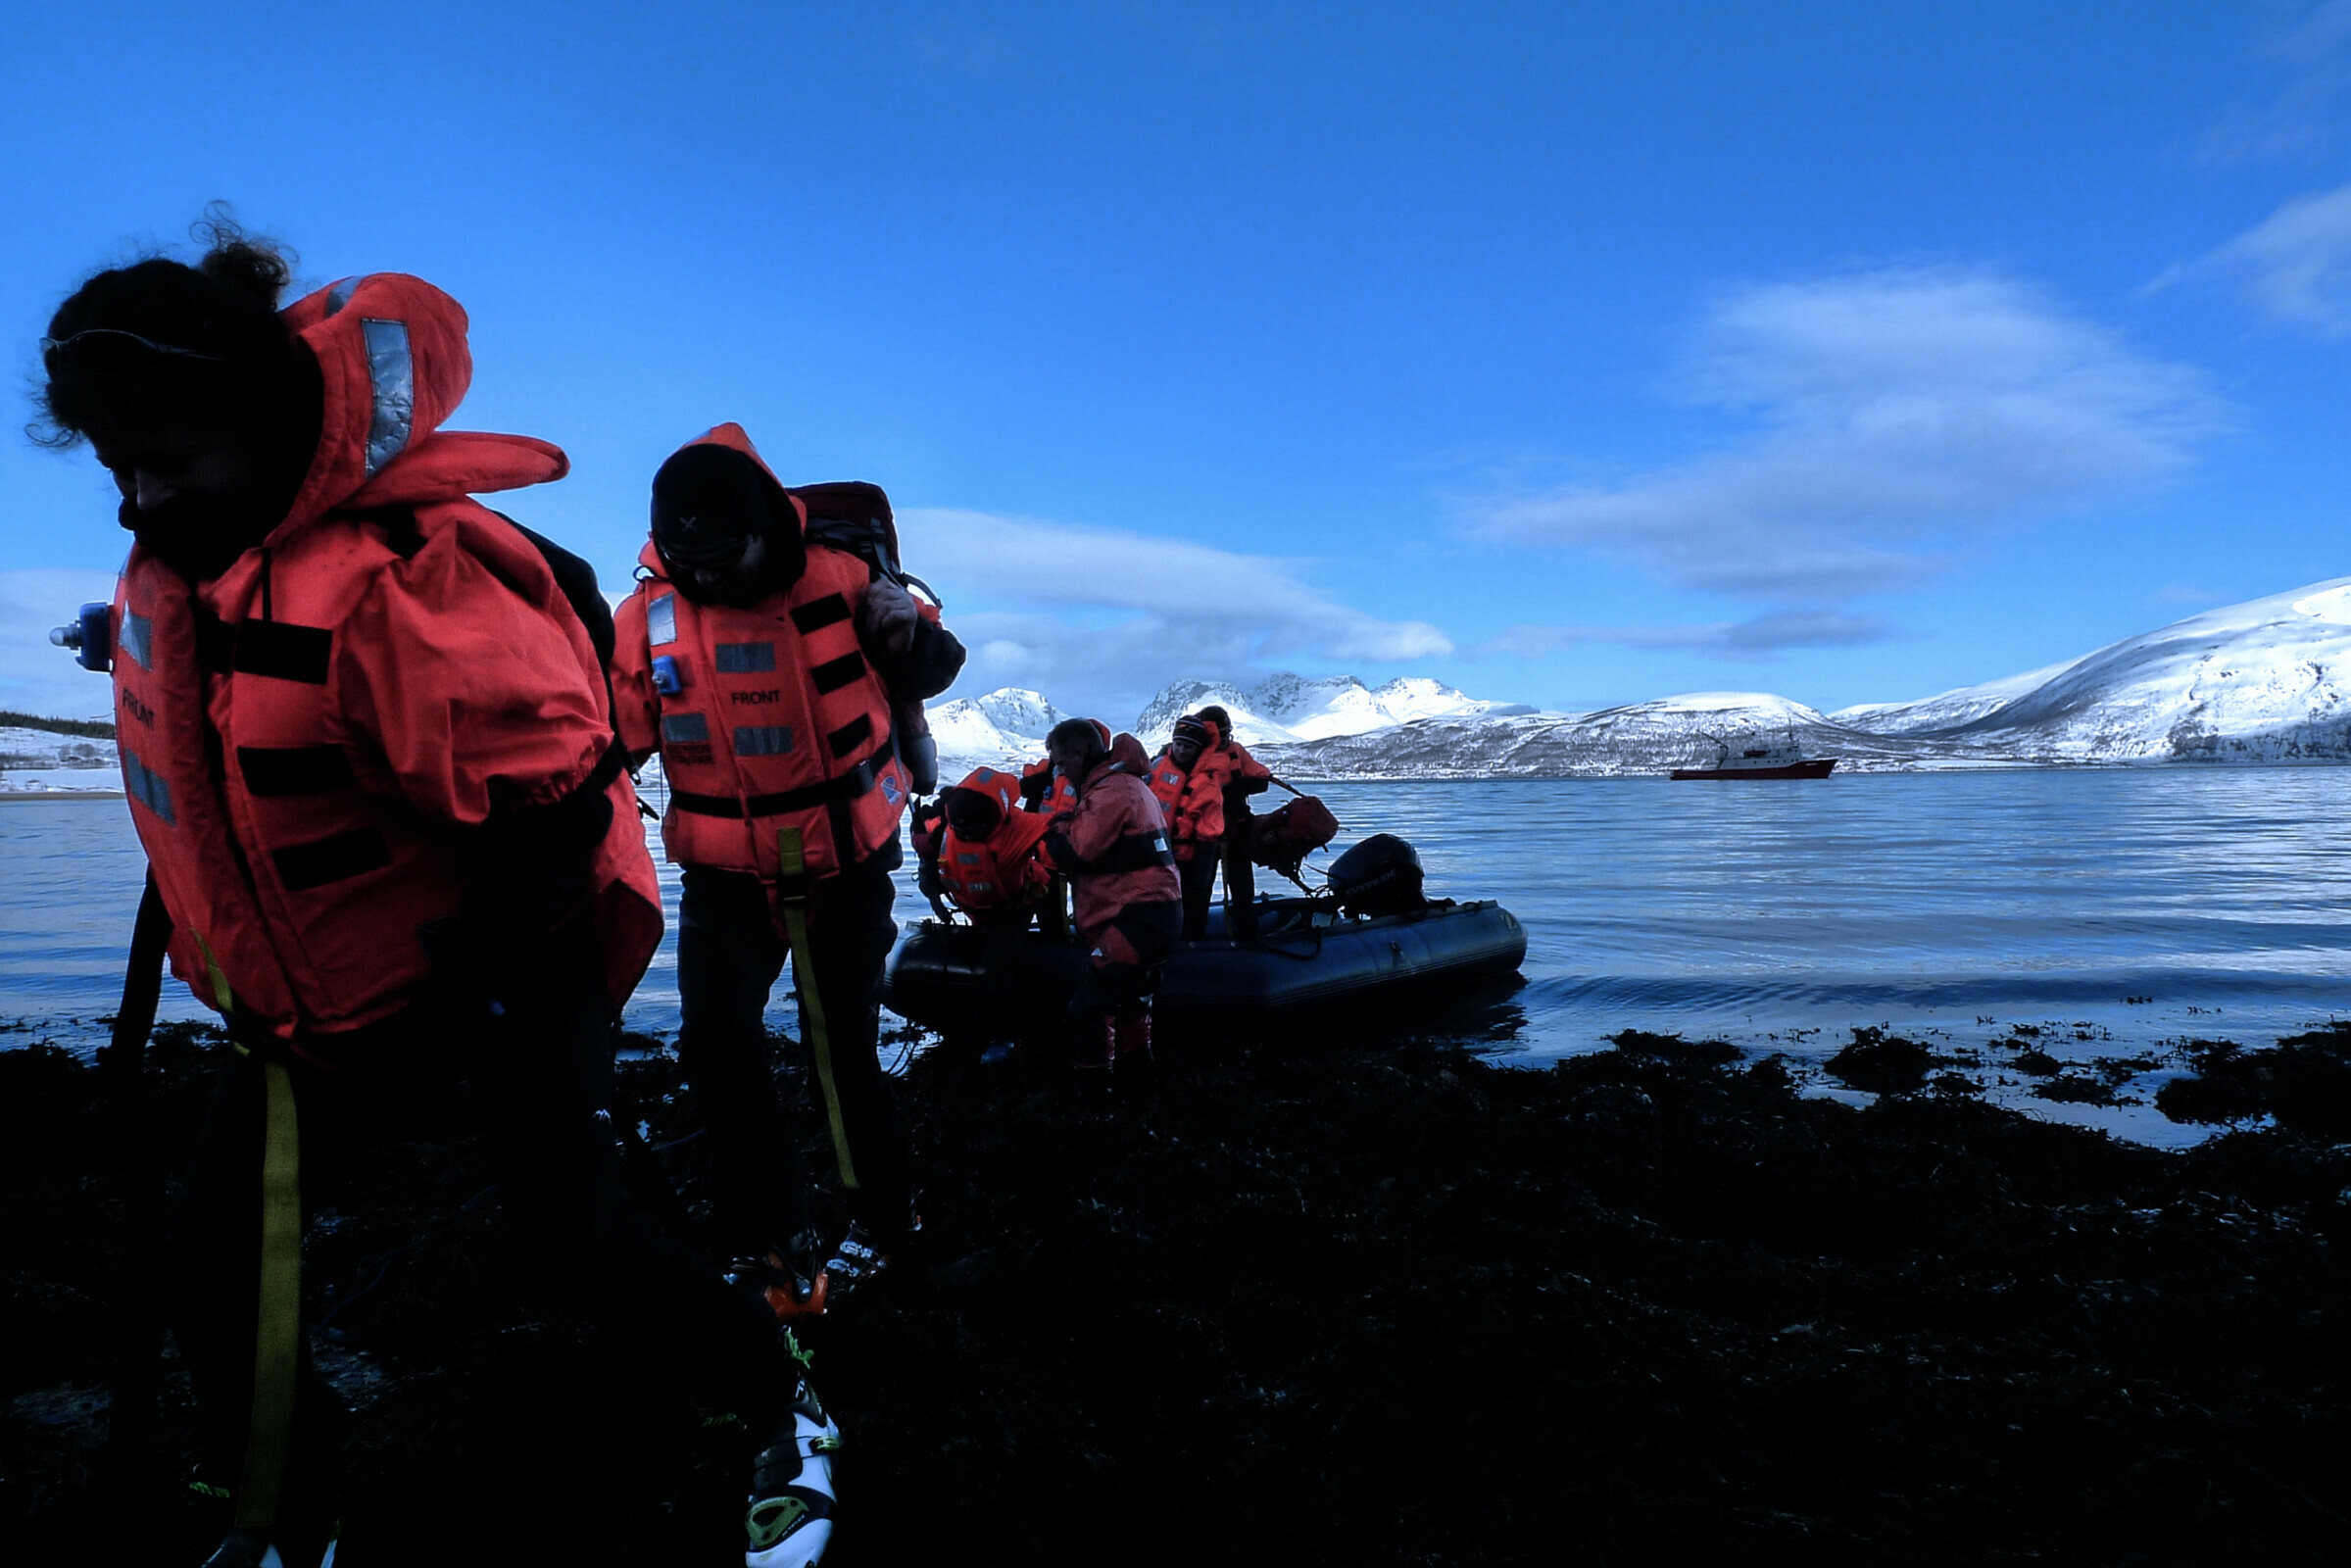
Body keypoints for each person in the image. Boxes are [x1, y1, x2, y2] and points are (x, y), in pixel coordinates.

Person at [39, 223, 834, 1568]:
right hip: (308, 996)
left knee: (575, 1231)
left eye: (164, 465)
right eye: (119, 469)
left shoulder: (411, 588)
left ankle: (782, 1406)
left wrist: (457, 1006)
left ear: (265, 426)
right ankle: (290, 1515)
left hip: (505, 963)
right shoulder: (198, 561)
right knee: (210, 1257)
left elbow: (554, 815)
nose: (133, 503)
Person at [609, 424, 963, 1322]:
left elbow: (934, 658)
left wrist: (910, 638)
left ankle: (887, 1226)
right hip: (724, 878)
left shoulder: (843, 581)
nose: (707, 578)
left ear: (768, 529)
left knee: (841, 1049)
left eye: (724, 557)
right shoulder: (645, 618)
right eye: (687, 561)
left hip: (846, 864)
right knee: (716, 1044)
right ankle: (770, 1237)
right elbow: (605, 736)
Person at [1037, 719, 1181, 1080]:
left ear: (1077, 753)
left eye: (1059, 762)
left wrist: (1055, 827)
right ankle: (1138, 1076)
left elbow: (1075, 851)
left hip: (1140, 914)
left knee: (1092, 1000)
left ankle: (1095, 1090)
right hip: (1152, 911)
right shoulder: (1121, 785)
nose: (1057, 771)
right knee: (1131, 999)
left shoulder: (1112, 791)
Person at [913, 765, 1057, 1060]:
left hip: (1015, 907)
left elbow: (1059, 824)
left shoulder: (1020, 828)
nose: (966, 833)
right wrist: (930, 885)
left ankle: (995, 1039)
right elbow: (923, 844)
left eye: (973, 828)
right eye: (961, 827)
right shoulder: (940, 828)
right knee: (981, 962)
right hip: (973, 907)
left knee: (998, 970)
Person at [1146, 708, 1273, 940]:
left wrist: (1231, 790)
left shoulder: (1235, 753)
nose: (1224, 739)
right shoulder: (1186, 755)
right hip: (1198, 841)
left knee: (1242, 890)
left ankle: (1248, 938)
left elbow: (1262, 780)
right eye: (1220, 734)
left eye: (1227, 733)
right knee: (1197, 895)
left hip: (1235, 833)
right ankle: (1194, 939)